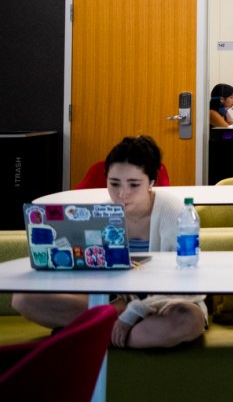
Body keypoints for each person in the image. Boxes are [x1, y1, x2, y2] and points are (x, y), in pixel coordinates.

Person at [13, 136, 207, 348]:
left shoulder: (174, 211)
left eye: (134, 184)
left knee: (187, 319)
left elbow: (188, 285)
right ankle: (117, 335)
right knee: (23, 298)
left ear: (151, 182)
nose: (122, 193)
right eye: (114, 183)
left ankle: (92, 332)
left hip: (163, 303)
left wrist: (134, 311)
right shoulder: (102, 213)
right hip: (113, 303)